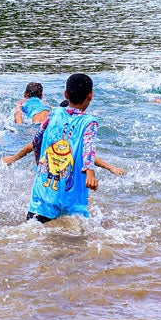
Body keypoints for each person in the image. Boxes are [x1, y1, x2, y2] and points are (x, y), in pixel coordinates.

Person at [26, 73, 110, 222]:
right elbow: (88, 148)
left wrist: (39, 161)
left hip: (41, 197)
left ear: (66, 94)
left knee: (34, 231)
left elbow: (37, 140)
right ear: (90, 96)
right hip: (70, 200)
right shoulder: (89, 121)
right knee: (74, 234)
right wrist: (90, 172)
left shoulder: (54, 112)